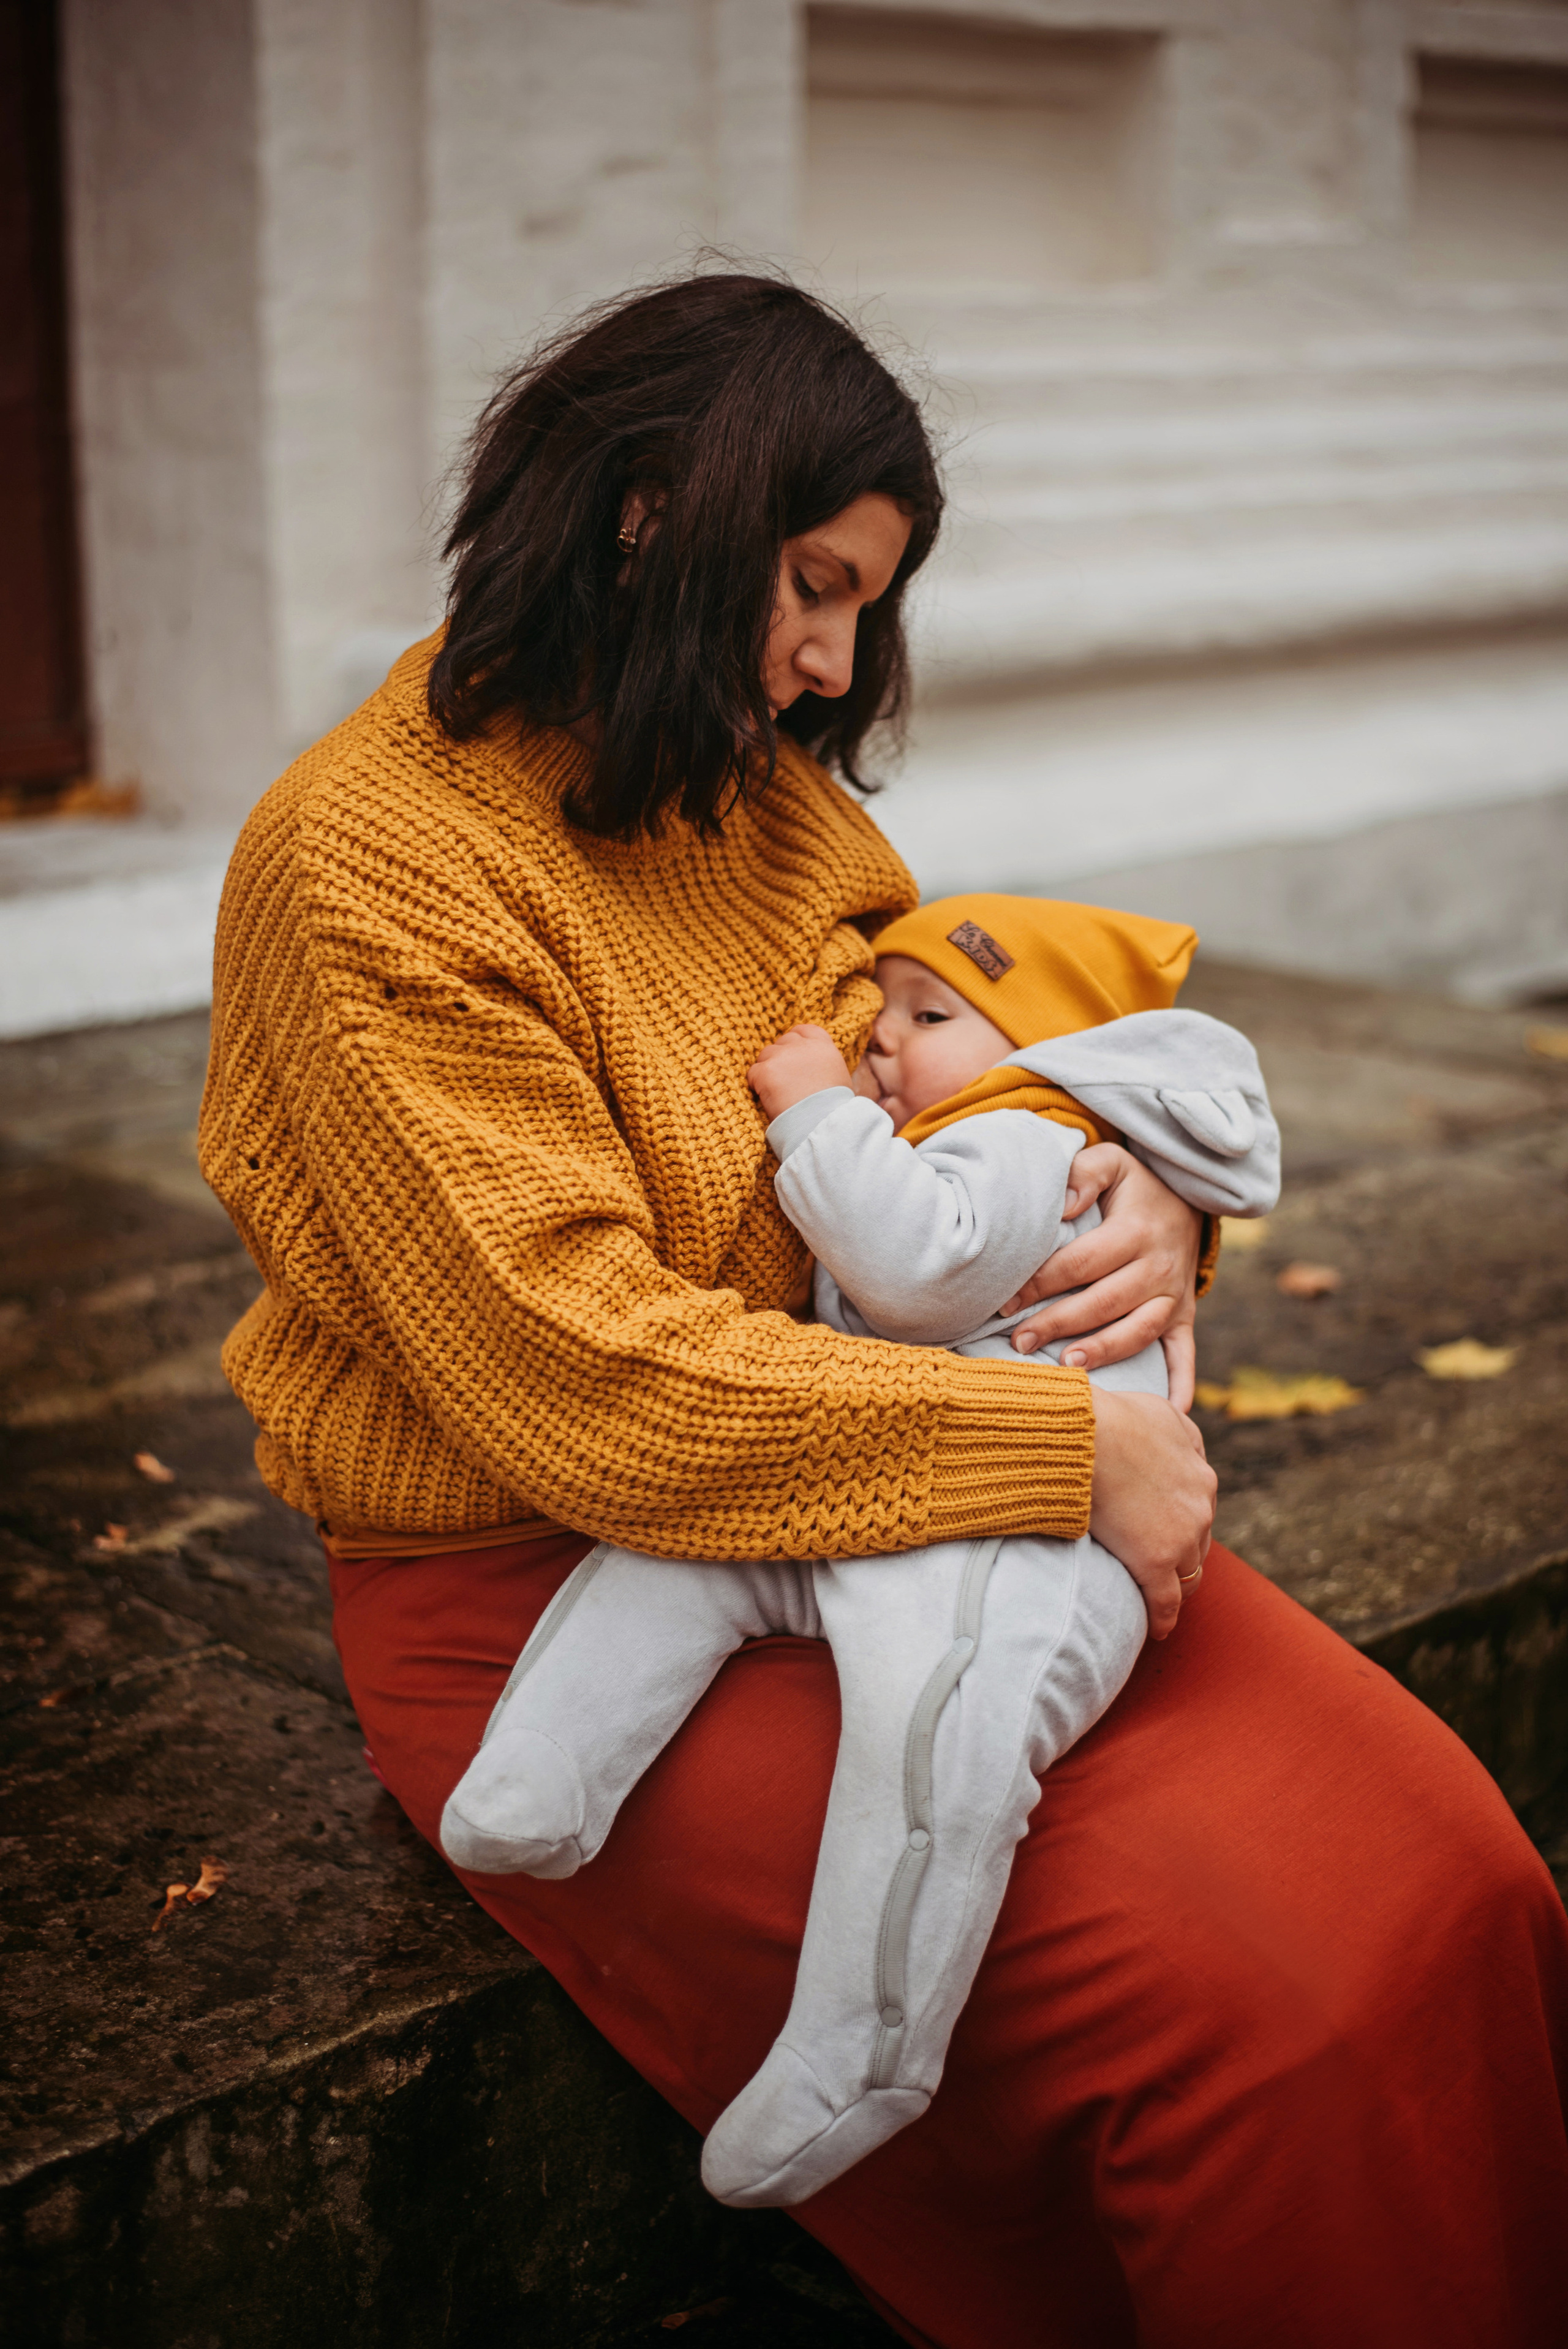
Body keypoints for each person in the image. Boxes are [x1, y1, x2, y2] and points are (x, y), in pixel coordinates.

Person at [200, 273, 1568, 2348]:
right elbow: (578, 1377)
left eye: (866, 605)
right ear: (651, 510)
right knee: (1266, 2012)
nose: (839, 663)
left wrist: (1145, 1198)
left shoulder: (753, 794)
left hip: (892, 1486)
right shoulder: (370, 865)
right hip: (556, 1587)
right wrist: (1062, 1443)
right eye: (816, 586)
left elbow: (959, 1070)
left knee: (1451, 1873)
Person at [439, 891, 1281, 2212]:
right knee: (685, 1559)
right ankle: (544, 1776)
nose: (883, 1041)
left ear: (1048, 1055)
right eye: (877, 1013)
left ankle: (864, 2049)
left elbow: (918, 1272)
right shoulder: (989, 1124)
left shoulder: (1021, 1138)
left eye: (928, 1017)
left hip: (1029, 1540)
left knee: (929, 1728)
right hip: (901, 1470)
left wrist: (813, 1109)